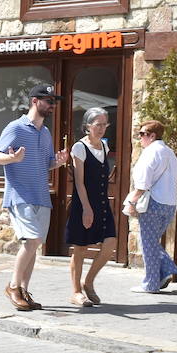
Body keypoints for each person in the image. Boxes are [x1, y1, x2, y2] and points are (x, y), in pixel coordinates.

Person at [0, 83, 70, 311]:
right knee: (33, 240)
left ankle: (24, 292)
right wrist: (13, 159)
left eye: (53, 102)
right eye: (48, 101)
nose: (51, 105)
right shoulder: (15, 128)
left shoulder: (45, 133)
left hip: (41, 195)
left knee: (34, 245)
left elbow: (46, 164)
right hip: (20, 193)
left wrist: (59, 162)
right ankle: (13, 287)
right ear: (35, 101)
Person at [64, 107, 117, 307]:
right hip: (84, 203)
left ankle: (89, 281)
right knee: (80, 247)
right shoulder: (79, 147)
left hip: (102, 202)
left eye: (105, 124)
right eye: (98, 124)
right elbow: (79, 182)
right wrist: (86, 208)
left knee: (110, 243)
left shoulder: (104, 146)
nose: (102, 128)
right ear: (88, 126)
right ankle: (76, 292)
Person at [124, 120, 177, 293]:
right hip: (169, 204)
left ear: (152, 136)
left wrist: (133, 200)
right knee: (151, 241)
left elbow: (143, 180)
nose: (139, 138)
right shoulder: (170, 153)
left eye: (142, 134)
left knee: (147, 243)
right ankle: (163, 274)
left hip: (153, 203)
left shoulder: (150, 152)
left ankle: (151, 283)